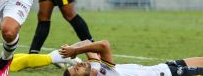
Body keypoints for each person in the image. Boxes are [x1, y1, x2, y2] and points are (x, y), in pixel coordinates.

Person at [60, 39, 203, 76]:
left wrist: (72, 50)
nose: (79, 65)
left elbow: (86, 43)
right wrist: (75, 51)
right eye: (77, 70)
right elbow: (104, 45)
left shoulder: (94, 66)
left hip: (164, 67)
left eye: (76, 65)